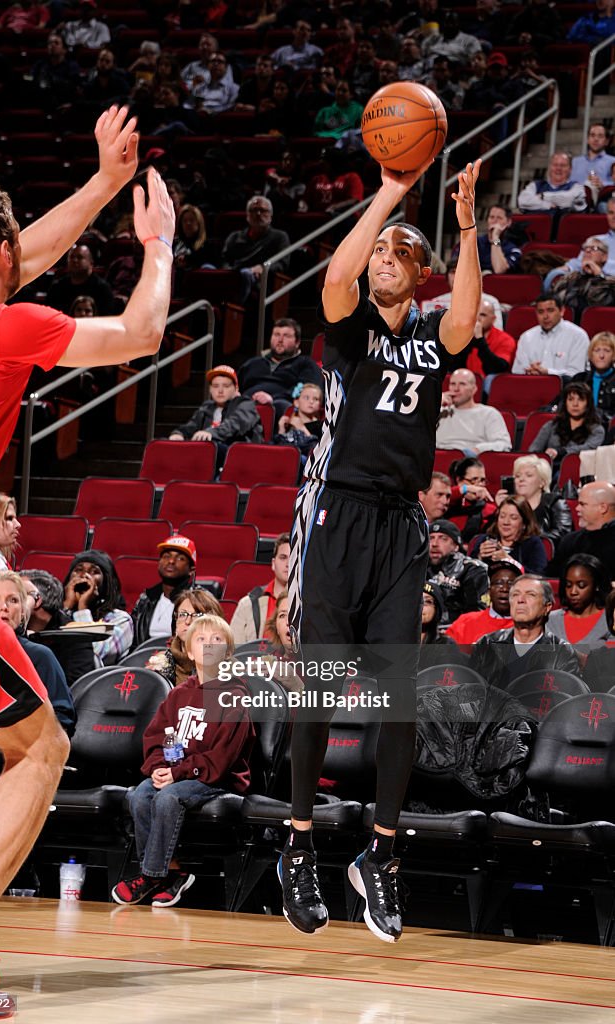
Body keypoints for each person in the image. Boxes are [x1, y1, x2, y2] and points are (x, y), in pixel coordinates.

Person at [0, 102, 175, 1018]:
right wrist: (154, 243)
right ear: (1, 259)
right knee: (40, 746)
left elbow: (9, 255)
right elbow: (142, 333)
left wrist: (106, 182)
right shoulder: (10, 328)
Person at [281, 157, 482, 943]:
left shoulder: (434, 337)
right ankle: (299, 845)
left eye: (397, 252)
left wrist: (463, 226)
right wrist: (390, 195)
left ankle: (382, 856)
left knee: (398, 695)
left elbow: (467, 318)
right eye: (378, 253)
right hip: (338, 513)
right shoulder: (352, 327)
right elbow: (336, 275)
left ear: (420, 272)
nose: (381, 260)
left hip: (400, 524)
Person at [111, 614, 254, 907]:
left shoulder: (234, 696)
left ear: (228, 653)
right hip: (179, 773)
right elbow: (159, 737)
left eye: (217, 640)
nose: (208, 645)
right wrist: (160, 768)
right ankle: (172, 873)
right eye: (201, 639)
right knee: (141, 795)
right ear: (189, 651)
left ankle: (150, 875)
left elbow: (222, 756)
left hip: (217, 778)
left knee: (169, 798)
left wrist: (179, 773)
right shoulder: (179, 695)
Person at [0, 571, 76, 735]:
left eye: (13, 600)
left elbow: (63, 717)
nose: (4, 607)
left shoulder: (40, 656)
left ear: (23, 611)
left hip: (26, 745)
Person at [470, 575, 582, 691]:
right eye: (515, 594)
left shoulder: (561, 652)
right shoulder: (487, 643)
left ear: (547, 607)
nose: (520, 600)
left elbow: (566, 701)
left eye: (531, 594)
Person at [168, 365, 263, 466]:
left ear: (236, 389)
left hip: (238, 454)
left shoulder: (246, 404)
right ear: (210, 389)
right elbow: (192, 426)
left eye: (226, 386)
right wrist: (179, 434)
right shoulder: (207, 407)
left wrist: (211, 433)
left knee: (209, 448)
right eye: (215, 386)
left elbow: (234, 425)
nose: (220, 390)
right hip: (208, 452)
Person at [19, 567, 96, 687]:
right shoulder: (10, 630)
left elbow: (75, 687)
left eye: (15, 597)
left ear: (36, 600)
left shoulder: (75, 636)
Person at [238, 318, 323, 420]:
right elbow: (235, 386)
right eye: (276, 335)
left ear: (297, 342)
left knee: (282, 406)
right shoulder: (253, 363)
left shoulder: (305, 364)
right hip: (247, 401)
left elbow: (310, 391)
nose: (280, 340)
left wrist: (271, 398)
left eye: (286, 336)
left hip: (280, 404)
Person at [62, 550, 134, 665]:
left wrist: (83, 609)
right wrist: (66, 607)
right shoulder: (60, 611)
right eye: (78, 570)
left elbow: (95, 654)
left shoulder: (120, 619)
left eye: (94, 572)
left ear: (106, 581)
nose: (84, 575)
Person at [220, 196, 291, 303]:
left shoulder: (280, 237)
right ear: (247, 215)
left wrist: (264, 268)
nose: (258, 214)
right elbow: (224, 260)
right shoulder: (235, 237)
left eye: (262, 210)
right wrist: (229, 271)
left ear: (270, 214)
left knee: (246, 274)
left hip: (261, 281)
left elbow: (282, 263)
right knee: (206, 268)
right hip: (235, 275)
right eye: (253, 210)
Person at [132, 535, 197, 646]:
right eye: (166, 556)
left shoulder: (199, 601)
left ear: (191, 570)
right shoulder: (146, 599)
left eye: (180, 558)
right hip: (143, 659)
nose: (171, 561)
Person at [528, 381, 605, 476]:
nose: (575, 404)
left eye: (580, 400)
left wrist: (560, 451)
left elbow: (588, 449)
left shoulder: (597, 430)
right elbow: (534, 450)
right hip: (548, 469)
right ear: (565, 403)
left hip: (580, 471)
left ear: (588, 404)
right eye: (571, 399)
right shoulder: (551, 425)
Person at [494, 454, 573, 545]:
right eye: (518, 476)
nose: (521, 479)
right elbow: (492, 534)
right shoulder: (509, 504)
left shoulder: (554, 502)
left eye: (529, 475)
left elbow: (563, 534)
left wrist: (527, 540)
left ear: (542, 482)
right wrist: (500, 510)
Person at [511, 294, 590, 380]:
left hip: (565, 389)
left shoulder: (578, 336)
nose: (545, 316)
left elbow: (576, 373)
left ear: (562, 311)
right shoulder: (527, 337)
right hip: (531, 386)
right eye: (541, 312)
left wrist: (547, 372)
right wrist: (530, 372)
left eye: (550, 310)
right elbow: (517, 371)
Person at [427, 519, 489, 625]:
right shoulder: (418, 568)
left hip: (458, 630)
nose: (435, 544)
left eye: (443, 539)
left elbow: (476, 613)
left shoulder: (471, 569)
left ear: (456, 546)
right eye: (431, 538)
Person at [231, 532, 290, 644]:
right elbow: (232, 651)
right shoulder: (247, 604)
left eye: (294, 558)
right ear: (273, 563)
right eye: (283, 558)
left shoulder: (309, 604)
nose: (288, 564)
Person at [547, 553, 612, 655]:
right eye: (568, 585)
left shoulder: (610, 619)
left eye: (581, 585)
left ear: (596, 585)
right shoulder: (549, 620)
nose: (573, 592)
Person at [548, 481, 615, 579]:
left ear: (603, 508)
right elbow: (550, 576)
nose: (577, 508)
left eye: (582, 504)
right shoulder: (570, 540)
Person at [436, 368, 512, 454]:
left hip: (471, 461)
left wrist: (478, 449)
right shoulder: (440, 412)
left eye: (462, 384)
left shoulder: (489, 414)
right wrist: (434, 405)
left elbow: (504, 444)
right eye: (453, 384)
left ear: (474, 389)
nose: (456, 389)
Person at [446, 558, 519, 646]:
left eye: (511, 584)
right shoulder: (465, 622)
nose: (504, 589)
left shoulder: (529, 627)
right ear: (489, 591)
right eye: (498, 583)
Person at [468, 495, 548, 575]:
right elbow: (467, 573)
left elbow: (538, 577)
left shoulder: (533, 544)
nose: (506, 522)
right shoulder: (484, 540)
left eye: (513, 518)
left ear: (524, 523)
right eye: (502, 516)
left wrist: (508, 560)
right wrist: (479, 557)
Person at [419, 257, 504, 329]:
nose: (457, 276)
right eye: (453, 272)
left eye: (462, 271)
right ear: (446, 277)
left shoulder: (490, 301)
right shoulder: (435, 302)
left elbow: (498, 331)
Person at [548, 238, 615, 325]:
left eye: (594, 248)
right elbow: (556, 301)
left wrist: (599, 276)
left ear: (604, 257)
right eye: (585, 248)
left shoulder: (611, 282)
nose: (588, 251)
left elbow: (602, 302)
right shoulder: (567, 279)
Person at [45, 243, 116, 316]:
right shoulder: (57, 287)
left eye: (80, 257)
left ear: (91, 263)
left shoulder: (102, 289)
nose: (75, 260)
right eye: (71, 257)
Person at [452, 204, 522, 275]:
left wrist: (495, 238)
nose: (494, 221)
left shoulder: (513, 249)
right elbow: (455, 267)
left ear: (508, 222)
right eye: (491, 217)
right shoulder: (473, 242)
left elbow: (499, 269)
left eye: (499, 218)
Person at [517, 152, 588, 215]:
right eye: (555, 165)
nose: (558, 168)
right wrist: (547, 205)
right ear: (550, 167)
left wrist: (543, 196)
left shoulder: (577, 187)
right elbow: (522, 201)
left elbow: (569, 200)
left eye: (563, 165)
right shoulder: (535, 185)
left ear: (570, 169)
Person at [418, 579, 466, 669]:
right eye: (417, 600)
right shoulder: (394, 640)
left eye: (427, 601)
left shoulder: (446, 646)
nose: (421, 606)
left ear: (437, 610)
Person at [571, 331, 615, 420]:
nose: (601, 355)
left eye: (606, 351)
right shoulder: (579, 379)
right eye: (597, 350)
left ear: (613, 356)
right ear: (591, 355)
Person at [571, 122, 615, 199]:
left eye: (600, 136)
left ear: (606, 141)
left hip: (602, 199)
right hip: (574, 199)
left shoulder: (612, 161)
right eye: (592, 135)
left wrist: (603, 184)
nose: (596, 139)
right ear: (588, 139)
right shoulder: (575, 162)